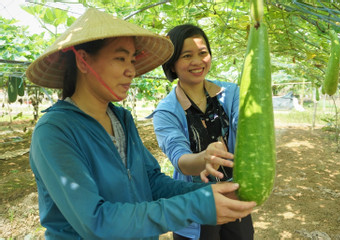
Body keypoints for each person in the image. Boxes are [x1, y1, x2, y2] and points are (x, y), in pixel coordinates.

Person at [26, 9, 256, 240]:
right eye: (120, 58)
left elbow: (152, 183)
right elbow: (96, 221)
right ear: (83, 60)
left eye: (133, 60)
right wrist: (196, 205)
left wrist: (208, 193)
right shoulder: (55, 132)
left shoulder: (122, 120)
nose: (131, 71)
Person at [150, 24, 255, 239]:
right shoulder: (166, 112)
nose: (197, 61)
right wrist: (203, 158)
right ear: (172, 65)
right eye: (187, 56)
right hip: (195, 203)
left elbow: (246, 127)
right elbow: (180, 158)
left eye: (203, 53)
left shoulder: (231, 93)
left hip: (235, 195)